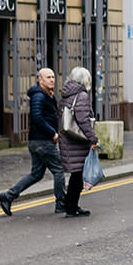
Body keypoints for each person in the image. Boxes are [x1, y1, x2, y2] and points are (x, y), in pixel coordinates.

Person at [0, 68, 66, 216]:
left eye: (53, 77)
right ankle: (61, 204)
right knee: (59, 169)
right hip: (43, 141)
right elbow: (37, 117)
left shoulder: (47, 94)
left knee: (36, 174)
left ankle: (8, 196)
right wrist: (52, 133)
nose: (52, 80)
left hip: (38, 142)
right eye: (48, 77)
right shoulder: (39, 96)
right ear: (40, 80)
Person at [57, 66, 99, 216]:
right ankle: (71, 207)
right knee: (78, 175)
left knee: (77, 174)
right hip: (78, 141)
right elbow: (83, 120)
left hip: (68, 139)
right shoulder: (81, 95)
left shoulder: (66, 94)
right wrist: (93, 137)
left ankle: (72, 206)